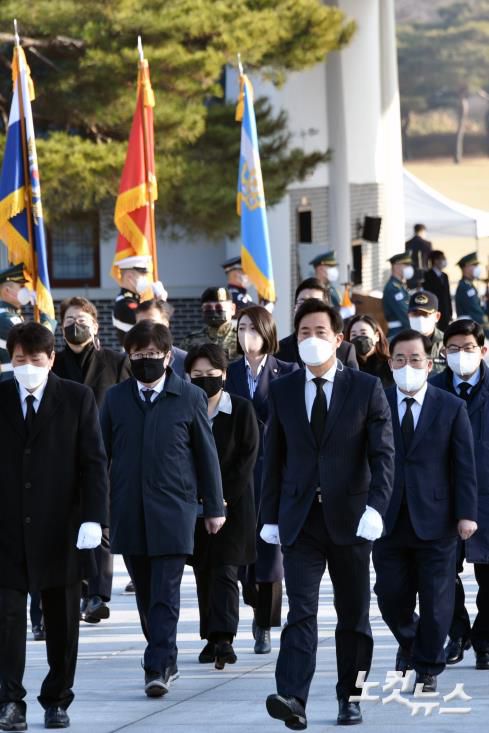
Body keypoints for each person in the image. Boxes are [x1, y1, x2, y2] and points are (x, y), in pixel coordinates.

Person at [261, 299, 395, 728]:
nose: (312, 339)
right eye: (304, 332)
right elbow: (273, 457)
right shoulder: (282, 389)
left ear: (338, 339)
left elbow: (383, 454)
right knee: (301, 610)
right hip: (301, 519)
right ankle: (292, 697)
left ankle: (350, 697)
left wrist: (376, 507)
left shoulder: (365, 388)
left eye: (320, 332)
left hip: (352, 518)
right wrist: (269, 516)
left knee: (353, 614)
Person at [100, 320, 225, 698]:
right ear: (128, 357)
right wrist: (95, 509)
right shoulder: (116, 398)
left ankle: (159, 664)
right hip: (129, 508)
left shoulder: (189, 397)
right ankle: (162, 651)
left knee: (165, 591)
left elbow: (206, 455)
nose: (146, 360)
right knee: (145, 593)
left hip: (174, 508)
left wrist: (214, 506)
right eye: (138, 355)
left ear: (168, 357)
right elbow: (99, 456)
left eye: (153, 354)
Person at [0, 322, 108, 731]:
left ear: (51, 359)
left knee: (62, 622)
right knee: (7, 620)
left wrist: (94, 518)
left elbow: (93, 462)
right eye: (19, 360)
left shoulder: (76, 398)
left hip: (61, 528)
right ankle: (9, 700)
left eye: (35, 359)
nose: (27, 366)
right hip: (7, 530)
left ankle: (58, 699)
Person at [373, 329, 478, 694]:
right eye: (400, 359)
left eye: (415, 358)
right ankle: (413, 643)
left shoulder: (450, 407)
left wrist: (467, 514)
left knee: (436, 602)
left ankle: (428, 666)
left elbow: (463, 465)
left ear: (429, 363)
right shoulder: (377, 403)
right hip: (388, 519)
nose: (408, 365)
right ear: (390, 363)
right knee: (390, 596)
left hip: (437, 519)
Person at [52, 296, 131, 624]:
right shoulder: (52, 363)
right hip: (60, 456)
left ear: (96, 326)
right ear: (60, 327)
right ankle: (79, 587)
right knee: (68, 523)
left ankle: (98, 594)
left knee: (102, 523)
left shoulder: (116, 361)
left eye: (82, 320)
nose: (76, 326)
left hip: (104, 455)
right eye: (70, 321)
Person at [226, 306, 298, 655]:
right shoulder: (228, 373)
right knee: (242, 551)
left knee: (270, 553)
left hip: (274, 470)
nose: (246, 336)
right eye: (241, 328)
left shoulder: (288, 371)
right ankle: (253, 601)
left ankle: (265, 624)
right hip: (238, 472)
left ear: (267, 332)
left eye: (253, 329)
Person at [185, 343, 259, 669]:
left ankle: (225, 638)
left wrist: (221, 499)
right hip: (194, 504)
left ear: (224, 375)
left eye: (211, 373)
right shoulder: (186, 409)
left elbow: (247, 458)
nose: (204, 379)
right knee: (204, 571)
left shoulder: (241, 409)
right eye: (197, 374)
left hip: (234, 505)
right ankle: (210, 637)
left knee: (226, 570)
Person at [430, 319, 489, 670]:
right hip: (442, 496)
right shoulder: (432, 389)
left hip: (486, 495)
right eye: (453, 349)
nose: (461, 355)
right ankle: (457, 632)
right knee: (441, 573)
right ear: (443, 352)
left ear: (483, 350)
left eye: (468, 348)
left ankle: (484, 640)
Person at [276, 278, 358, 369]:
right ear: (295, 308)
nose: (308, 308)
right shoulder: (278, 350)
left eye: (315, 302)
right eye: (302, 302)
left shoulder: (345, 351)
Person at [112, 255, 167, 346]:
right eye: (143, 275)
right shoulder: (125, 304)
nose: (147, 280)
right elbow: (156, 325)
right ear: (130, 277)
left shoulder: (134, 301)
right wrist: (161, 301)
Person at [180, 286, 238, 361]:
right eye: (208, 307)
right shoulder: (190, 341)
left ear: (232, 309)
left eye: (219, 307)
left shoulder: (243, 337)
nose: (213, 311)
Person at [135, 299, 187, 378]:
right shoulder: (124, 361)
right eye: (141, 324)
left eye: (152, 322)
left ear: (165, 324)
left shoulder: (184, 360)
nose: (146, 327)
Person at [0, 263, 35, 381]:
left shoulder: (12, 314)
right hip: (10, 379)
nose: (26, 290)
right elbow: (33, 346)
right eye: (21, 286)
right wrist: (47, 320)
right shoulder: (5, 318)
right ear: (7, 291)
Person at [344, 314, 394, 388]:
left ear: (377, 336)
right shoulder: (346, 368)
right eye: (354, 335)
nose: (359, 338)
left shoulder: (390, 366)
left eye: (363, 333)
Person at [407, 291, 445, 375]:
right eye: (415, 314)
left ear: (437, 316)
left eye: (425, 314)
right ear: (408, 316)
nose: (420, 318)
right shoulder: (394, 344)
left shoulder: (447, 343)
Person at [455, 253, 489, 334]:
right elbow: (475, 313)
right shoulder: (465, 288)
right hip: (470, 331)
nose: (477, 268)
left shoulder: (469, 286)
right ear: (466, 267)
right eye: (474, 265)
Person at [383, 253, 413, 339]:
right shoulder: (393, 288)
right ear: (396, 266)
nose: (409, 267)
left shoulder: (400, 286)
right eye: (406, 264)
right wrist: (414, 331)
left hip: (403, 332)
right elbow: (404, 313)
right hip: (398, 334)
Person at [423, 250, 452, 331]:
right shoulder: (427, 275)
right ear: (435, 261)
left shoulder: (445, 276)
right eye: (442, 258)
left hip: (445, 313)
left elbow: (447, 295)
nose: (444, 261)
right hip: (434, 311)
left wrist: (450, 312)